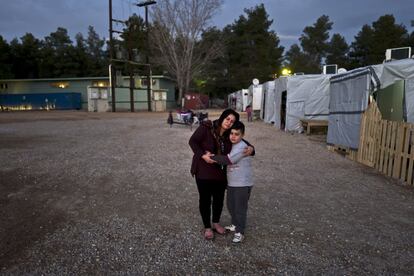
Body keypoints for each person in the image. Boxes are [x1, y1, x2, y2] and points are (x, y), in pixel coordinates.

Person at [189, 109, 254, 240]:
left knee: (218, 199)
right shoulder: (206, 127)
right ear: (222, 117)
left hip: (220, 172)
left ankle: (216, 223)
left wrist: (252, 149)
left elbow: (244, 142)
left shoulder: (230, 134)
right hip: (203, 170)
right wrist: (202, 155)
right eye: (227, 119)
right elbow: (193, 142)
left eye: (232, 121)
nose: (229, 122)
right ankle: (207, 227)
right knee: (205, 199)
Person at [210, 121, 253, 243]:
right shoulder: (231, 143)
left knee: (240, 208)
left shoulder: (242, 147)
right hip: (233, 182)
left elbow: (229, 160)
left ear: (242, 135)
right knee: (230, 205)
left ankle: (240, 231)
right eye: (232, 133)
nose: (233, 136)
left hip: (243, 183)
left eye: (237, 134)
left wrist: (211, 157)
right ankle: (235, 224)